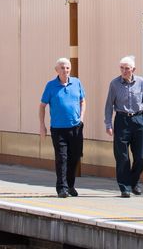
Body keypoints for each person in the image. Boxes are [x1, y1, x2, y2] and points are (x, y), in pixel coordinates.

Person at [104, 54, 143, 197]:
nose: (124, 71)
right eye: (122, 68)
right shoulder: (114, 84)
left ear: (133, 69)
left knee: (142, 156)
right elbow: (109, 106)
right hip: (122, 120)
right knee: (122, 156)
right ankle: (125, 187)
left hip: (138, 120)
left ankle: (134, 181)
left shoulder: (141, 82)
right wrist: (108, 124)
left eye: (127, 68)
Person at [39, 57, 86, 198]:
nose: (65, 70)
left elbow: (83, 101)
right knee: (62, 158)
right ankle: (62, 188)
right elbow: (42, 106)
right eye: (62, 68)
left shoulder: (77, 83)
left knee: (75, 157)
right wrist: (42, 125)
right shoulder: (51, 86)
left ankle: (70, 185)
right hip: (58, 129)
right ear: (57, 70)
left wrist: (81, 117)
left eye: (67, 67)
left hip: (76, 127)